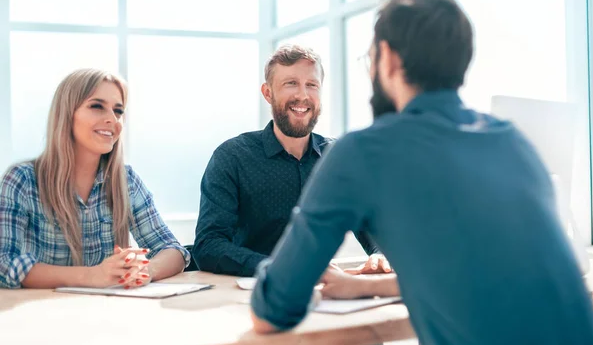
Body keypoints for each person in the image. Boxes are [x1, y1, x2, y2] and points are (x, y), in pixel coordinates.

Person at [250, 0, 593, 345]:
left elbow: (273, 310)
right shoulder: (513, 142)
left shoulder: (364, 152)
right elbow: (472, 277)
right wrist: (364, 286)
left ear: (387, 58)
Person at [192, 45, 389, 277]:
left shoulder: (339, 158)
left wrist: (381, 254)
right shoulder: (232, 157)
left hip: (319, 292)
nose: (303, 95)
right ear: (268, 93)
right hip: (246, 292)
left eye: (312, 85)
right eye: (291, 83)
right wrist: (282, 266)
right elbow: (208, 245)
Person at [0, 68, 190, 289]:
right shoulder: (23, 180)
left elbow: (173, 250)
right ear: (67, 113)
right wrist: (92, 276)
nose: (112, 120)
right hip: (41, 314)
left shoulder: (125, 180)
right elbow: (4, 264)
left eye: (118, 111)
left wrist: (145, 270)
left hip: (107, 313)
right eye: (97, 106)